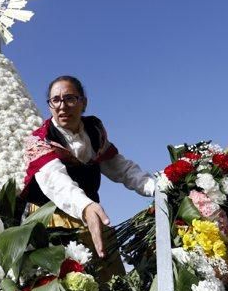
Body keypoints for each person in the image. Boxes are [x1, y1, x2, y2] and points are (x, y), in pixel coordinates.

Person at [23, 75, 155, 264]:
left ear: (83, 103)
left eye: (69, 98)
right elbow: (55, 179)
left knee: (108, 282)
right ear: (50, 106)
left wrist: (155, 188)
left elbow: (119, 166)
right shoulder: (38, 141)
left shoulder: (94, 132)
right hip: (54, 221)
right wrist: (85, 207)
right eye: (55, 100)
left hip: (93, 216)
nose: (62, 106)